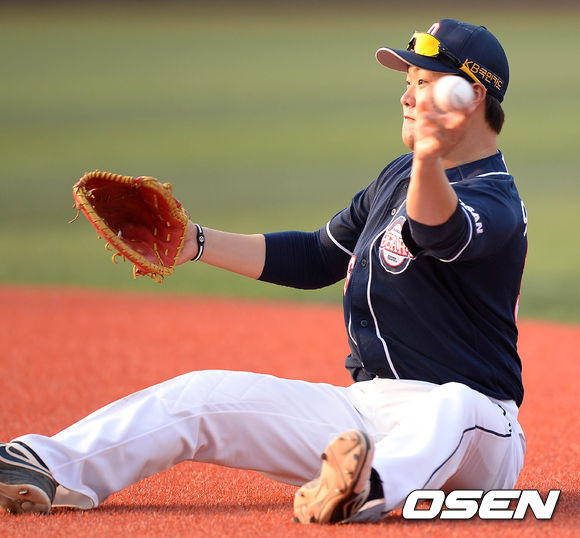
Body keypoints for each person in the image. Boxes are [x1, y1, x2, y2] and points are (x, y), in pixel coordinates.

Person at [0, 18, 527, 524]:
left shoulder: (496, 200)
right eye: (408, 82)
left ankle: (366, 488)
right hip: (366, 413)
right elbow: (317, 255)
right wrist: (195, 243)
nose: (407, 97)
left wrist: (428, 159)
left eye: (424, 82)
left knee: (455, 405)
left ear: (471, 96)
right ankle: (50, 465)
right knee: (203, 395)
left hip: (480, 432)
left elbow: (438, 230)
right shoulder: (398, 176)